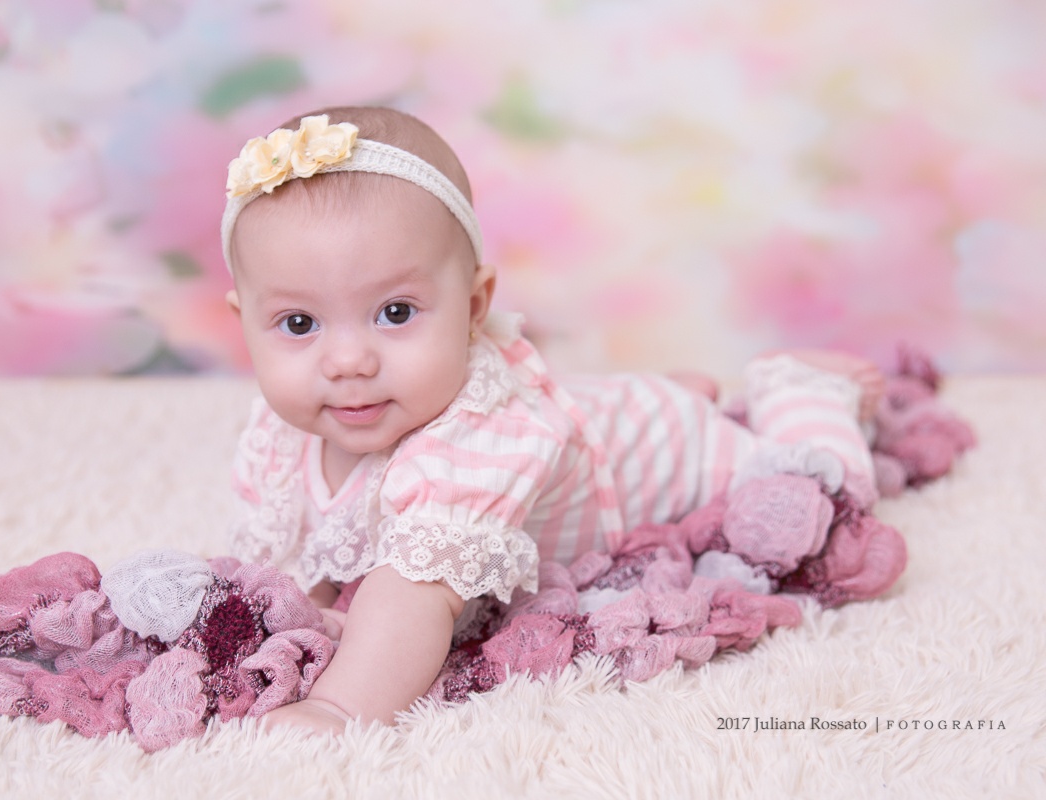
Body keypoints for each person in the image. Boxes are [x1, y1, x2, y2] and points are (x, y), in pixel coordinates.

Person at [220, 106, 884, 735]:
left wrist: (338, 708)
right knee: (581, 406)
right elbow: (297, 564)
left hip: (665, 448)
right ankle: (676, 389)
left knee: (827, 497)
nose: (348, 361)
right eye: (299, 324)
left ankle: (804, 390)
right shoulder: (280, 436)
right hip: (585, 418)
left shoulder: (479, 436)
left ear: (475, 305)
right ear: (244, 323)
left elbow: (410, 596)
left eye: (395, 313)